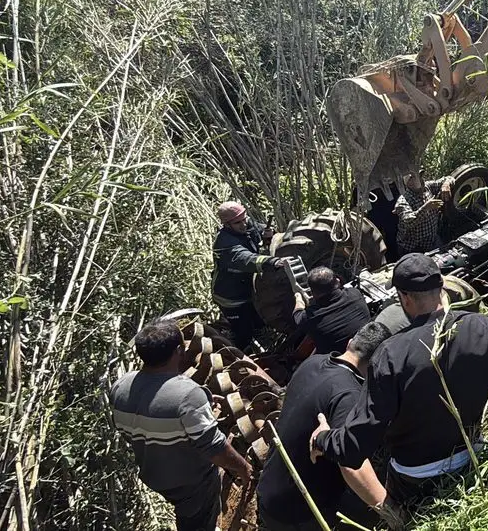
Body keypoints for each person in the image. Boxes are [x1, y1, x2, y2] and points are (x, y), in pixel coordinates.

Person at [309, 253, 488, 512]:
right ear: (442, 287)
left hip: (415, 481)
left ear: (405, 297)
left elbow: (354, 447)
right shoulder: (484, 327)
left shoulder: (390, 354)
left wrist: (323, 439)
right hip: (475, 459)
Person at [111, 320, 253, 531]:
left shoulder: (120, 386)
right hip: (191, 484)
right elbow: (214, 448)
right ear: (178, 351)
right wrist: (244, 468)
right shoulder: (188, 395)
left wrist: (196, 408)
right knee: (197, 523)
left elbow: (131, 428)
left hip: (153, 474)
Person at [257, 322, 397, 530]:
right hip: (299, 512)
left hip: (270, 489)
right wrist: (391, 512)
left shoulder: (312, 363)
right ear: (378, 365)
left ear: (350, 343)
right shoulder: (350, 396)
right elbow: (351, 464)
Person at [212, 200, 287, 350]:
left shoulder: (246, 224)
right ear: (227, 225)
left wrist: (268, 234)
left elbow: (258, 230)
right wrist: (272, 262)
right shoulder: (224, 244)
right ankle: (237, 354)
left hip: (249, 290)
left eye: (244, 219)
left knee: (259, 322)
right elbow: (246, 260)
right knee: (243, 333)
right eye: (238, 222)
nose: (243, 224)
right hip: (232, 298)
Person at [293, 266, 372, 355]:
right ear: (337, 282)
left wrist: (298, 297)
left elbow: (297, 314)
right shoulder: (355, 293)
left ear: (313, 292)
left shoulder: (310, 317)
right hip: (368, 349)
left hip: (337, 360)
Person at [394, 173, 453, 255]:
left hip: (432, 241)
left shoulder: (428, 187)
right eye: (415, 177)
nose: (421, 179)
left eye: (420, 176)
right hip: (412, 248)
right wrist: (426, 208)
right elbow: (409, 222)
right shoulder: (403, 201)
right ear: (409, 183)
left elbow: (449, 178)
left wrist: (446, 184)